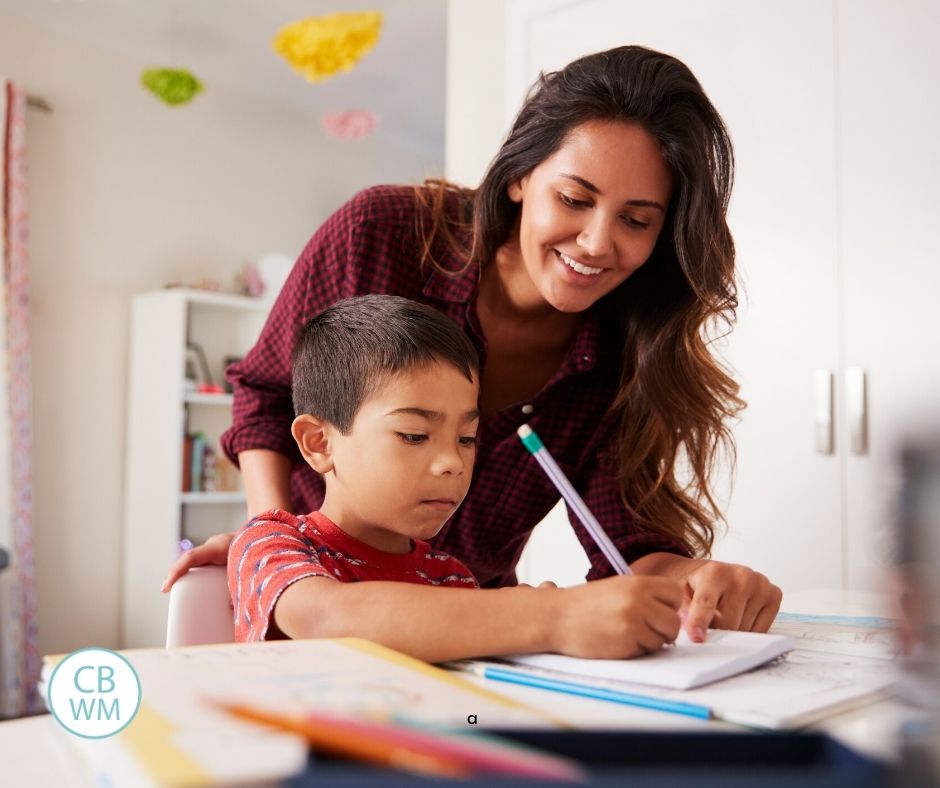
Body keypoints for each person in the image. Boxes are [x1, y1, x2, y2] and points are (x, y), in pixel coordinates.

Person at [163, 44, 782, 644]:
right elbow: (267, 397)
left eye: (637, 219)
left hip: (469, 642)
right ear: (519, 177)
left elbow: (629, 551)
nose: (596, 242)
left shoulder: (627, 355)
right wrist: (269, 533)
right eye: (574, 199)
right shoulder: (380, 233)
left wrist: (693, 581)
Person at [233, 294, 684, 662]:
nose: (452, 461)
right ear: (318, 443)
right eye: (414, 434)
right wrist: (549, 616)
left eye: (467, 438)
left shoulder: (449, 579)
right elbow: (326, 619)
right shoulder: (272, 543)